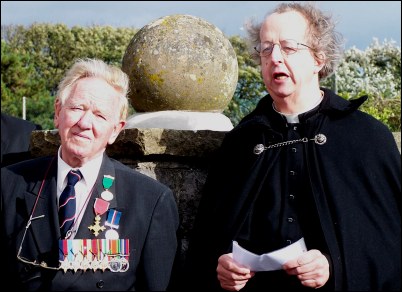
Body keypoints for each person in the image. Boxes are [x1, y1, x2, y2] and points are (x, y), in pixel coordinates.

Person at [184, 2, 401, 291]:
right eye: (265, 48)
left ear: (318, 59)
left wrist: (335, 265)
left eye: (288, 47)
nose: (274, 58)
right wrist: (221, 267)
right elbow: (207, 242)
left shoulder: (366, 138)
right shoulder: (241, 142)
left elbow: (390, 243)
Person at [1, 58, 179, 291]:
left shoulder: (150, 201)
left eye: (100, 115)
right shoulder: (8, 183)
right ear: (57, 112)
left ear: (116, 129)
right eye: (77, 108)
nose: (85, 123)